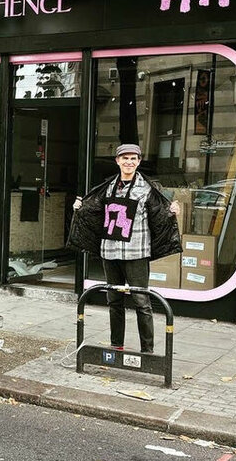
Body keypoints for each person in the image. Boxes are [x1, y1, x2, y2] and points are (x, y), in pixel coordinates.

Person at [68, 144, 181, 354]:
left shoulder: (148, 188)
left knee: (141, 302)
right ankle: (116, 345)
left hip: (136, 252)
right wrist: (79, 208)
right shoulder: (107, 187)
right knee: (114, 301)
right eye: (125, 158)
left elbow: (162, 213)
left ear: (138, 162)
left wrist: (173, 210)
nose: (129, 162)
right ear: (118, 161)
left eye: (133, 158)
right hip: (110, 252)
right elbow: (93, 210)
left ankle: (147, 351)